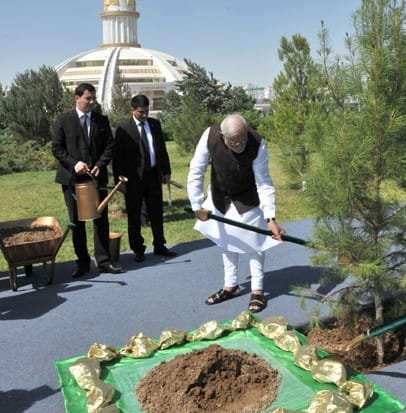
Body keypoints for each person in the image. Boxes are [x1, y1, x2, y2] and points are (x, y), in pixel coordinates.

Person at [187, 114, 283, 313]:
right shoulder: (210, 136)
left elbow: (263, 181)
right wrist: (197, 205)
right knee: (226, 240)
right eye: (234, 141)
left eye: (243, 139)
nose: (240, 144)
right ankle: (230, 286)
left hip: (248, 196)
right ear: (223, 137)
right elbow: (196, 169)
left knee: (256, 244)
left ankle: (257, 290)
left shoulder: (257, 142)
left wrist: (270, 217)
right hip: (220, 195)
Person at [52, 82, 122, 277]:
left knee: (101, 220)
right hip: (72, 180)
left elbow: (110, 145)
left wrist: (100, 164)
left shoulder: (101, 120)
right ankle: (82, 263)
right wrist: (74, 164)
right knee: (77, 222)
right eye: (87, 98)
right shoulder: (63, 120)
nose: (91, 102)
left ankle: (104, 261)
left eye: (93, 98)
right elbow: (57, 148)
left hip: (96, 179)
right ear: (77, 98)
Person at [113, 94, 176, 262]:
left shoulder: (154, 124)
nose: (145, 115)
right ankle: (138, 249)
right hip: (133, 179)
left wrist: (167, 171)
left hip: (153, 175)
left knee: (156, 212)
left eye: (147, 111)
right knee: (134, 215)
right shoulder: (123, 128)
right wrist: (119, 180)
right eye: (141, 112)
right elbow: (117, 156)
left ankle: (160, 245)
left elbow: (162, 149)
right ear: (133, 110)